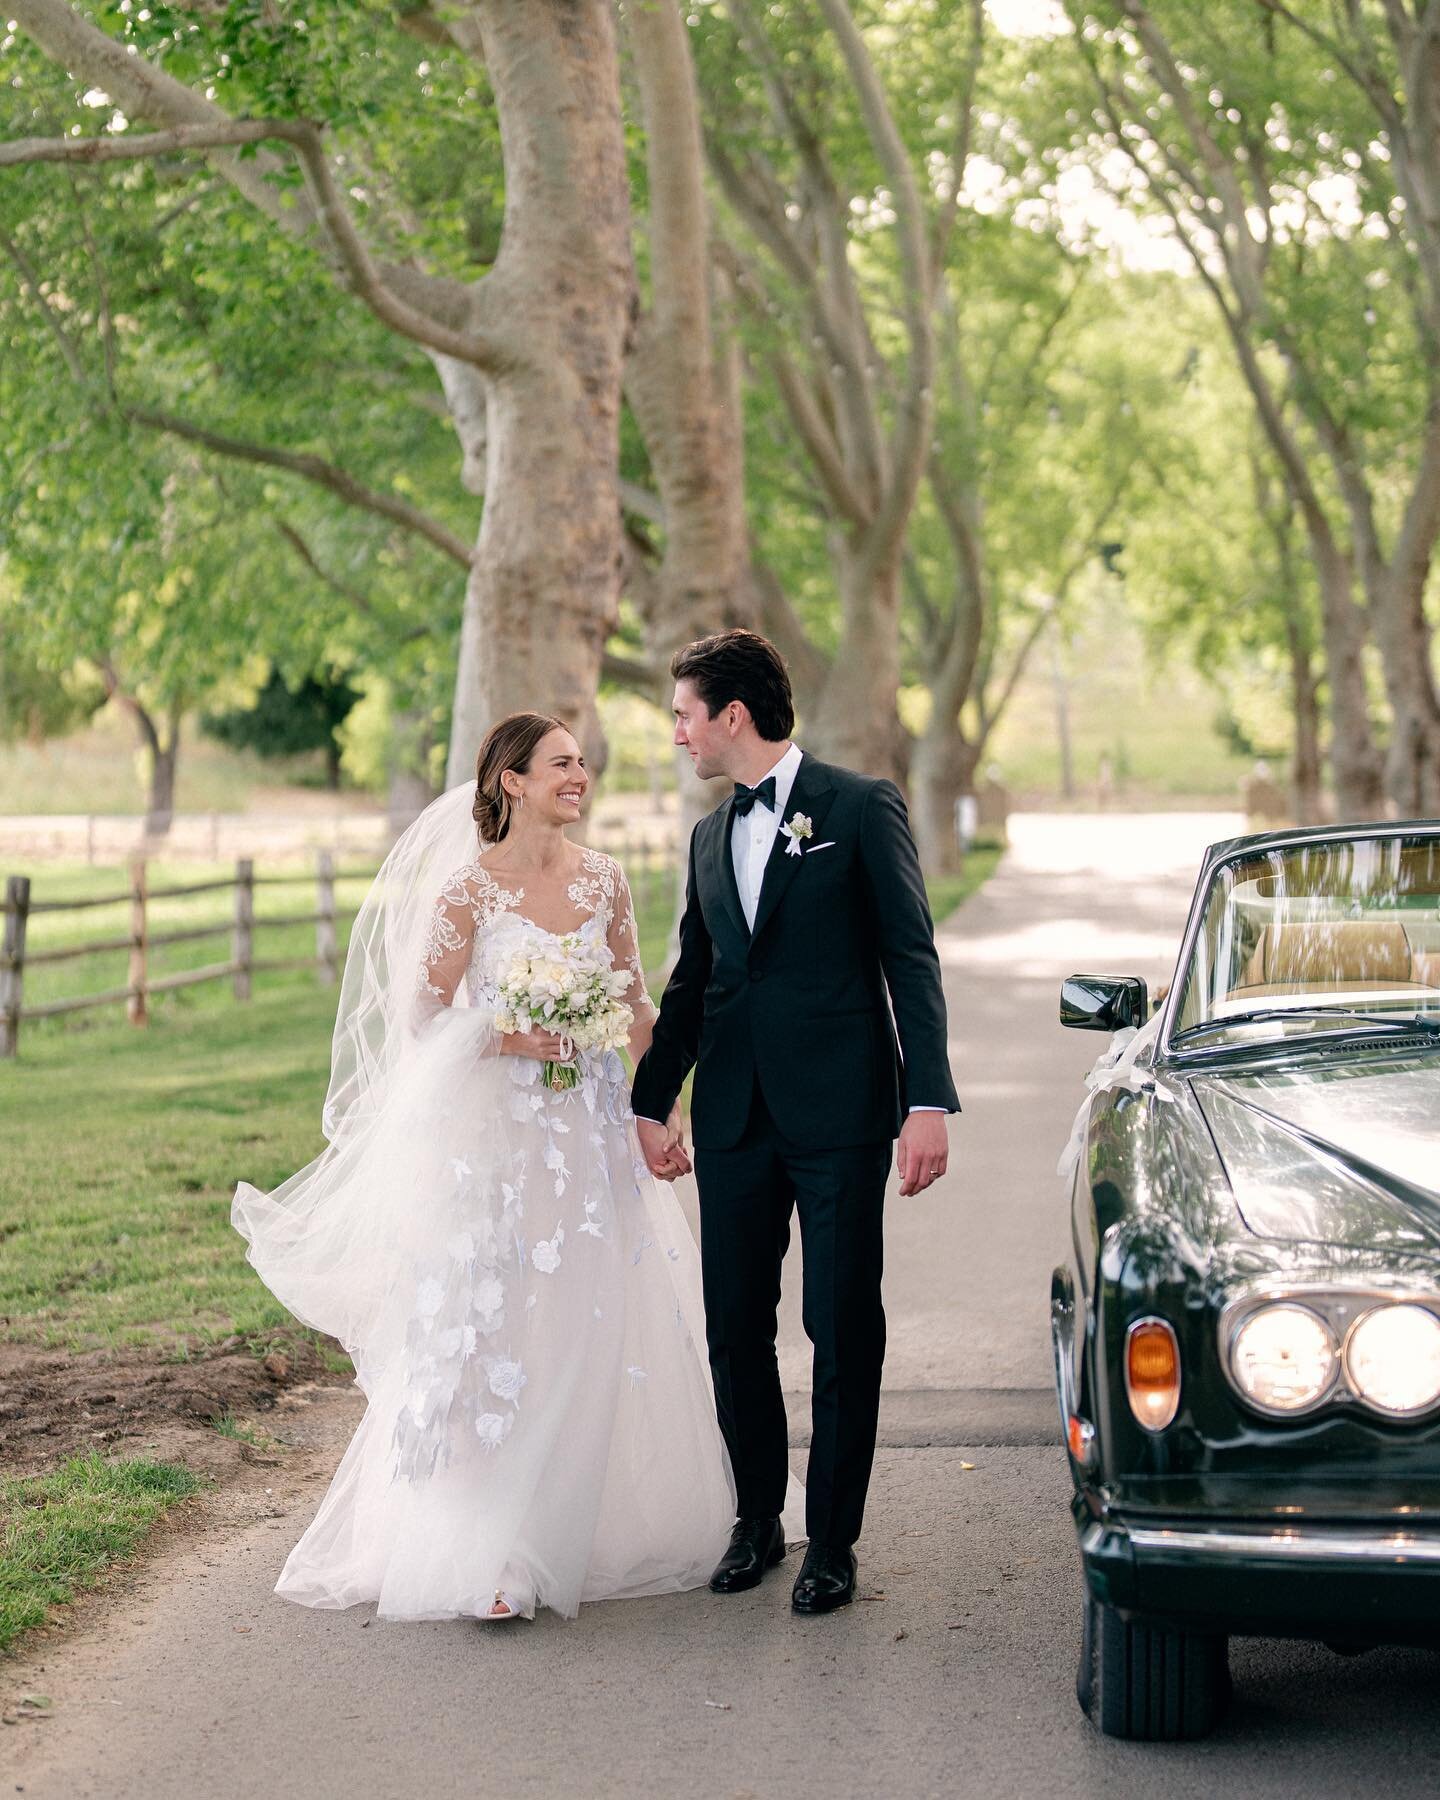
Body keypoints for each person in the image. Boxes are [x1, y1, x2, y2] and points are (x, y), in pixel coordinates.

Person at [232, 713, 737, 1624]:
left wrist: (656, 1116)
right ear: (512, 782)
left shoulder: (607, 882)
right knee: (497, 1327)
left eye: (583, 763)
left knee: (587, 1320)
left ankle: (577, 1529)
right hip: (497, 1142)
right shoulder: (468, 891)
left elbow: (636, 1012)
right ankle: (491, 1550)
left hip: (586, 1137)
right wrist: (508, 1034)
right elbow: (421, 1020)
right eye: (562, 764)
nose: (580, 776)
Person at [632, 630, 960, 1616]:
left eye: (685, 715)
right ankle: (756, 1523)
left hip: (842, 1115)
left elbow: (911, 955)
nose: (679, 734)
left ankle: (834, 1543)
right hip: (734, 1115)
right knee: (734, 1329)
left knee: (840, 1326)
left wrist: (928, 1099)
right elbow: (696, 982)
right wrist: (651, 1100)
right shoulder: (705, 838)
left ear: (732, 715)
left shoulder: (861, 808)